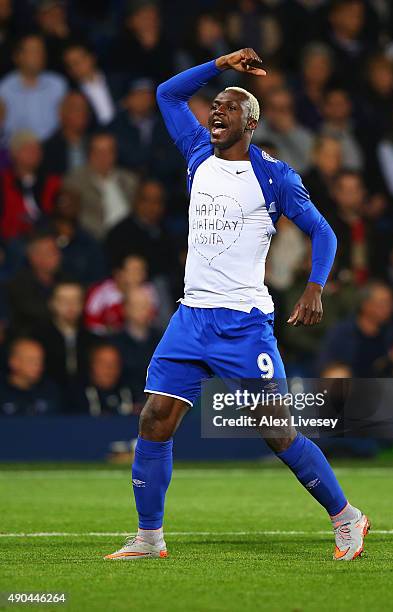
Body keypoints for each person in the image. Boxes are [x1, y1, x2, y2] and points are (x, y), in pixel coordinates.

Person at [105, 49, 369, 563]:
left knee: (277, 431)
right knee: (155, 418)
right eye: (213, 108)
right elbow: (168, 93)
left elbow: (323, 231)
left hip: (242, 324)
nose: (215, 113)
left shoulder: (275, 177)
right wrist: (219, 64)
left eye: (227, 108)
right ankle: (149, 538)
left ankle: (348, 518)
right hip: (190, 318)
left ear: (251, 122)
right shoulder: (196, 153)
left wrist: (315, 285)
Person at [63, 132, 138, 239]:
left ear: (115, 154)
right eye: (98, 152)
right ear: (89, 154)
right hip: (96, 239)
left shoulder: (130, 180)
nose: (103, 157)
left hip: (131, 238)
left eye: (108, 152)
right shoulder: (75, 181)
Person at [317, 281, 393, 376]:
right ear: (365, 304)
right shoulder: (341, 333)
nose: (388, 308)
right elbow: (324, 366)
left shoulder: (391, 334)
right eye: (383, 303)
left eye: (390, 303)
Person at [32, 280, 98, 390]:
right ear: (52, 303)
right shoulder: (38, 337)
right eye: (63, 300)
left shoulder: (93, 340)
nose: (71, 305)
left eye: (76, 300)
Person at [0, 33, 67, 140]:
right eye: (33, 51)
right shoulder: (4, 88)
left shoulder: (58, 84)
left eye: (41, 51)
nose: (39, 55)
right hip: (17, 150)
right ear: (17, 57)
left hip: (54, 148)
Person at [0, 130, 61, 239]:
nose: (34, 153)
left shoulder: (52, 182)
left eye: (37, 149)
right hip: (12, 239)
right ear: (15, 153)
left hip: (47, 237)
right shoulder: (3, 182)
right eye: (28, 149)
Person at [83, 254, 162, 336]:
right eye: (134, 271)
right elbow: (91, 325)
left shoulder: (149, 291)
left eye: (142, 271)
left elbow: (154, 322)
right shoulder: (101, 291)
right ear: (118, 273)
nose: (139, 276)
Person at [110, 286, 160, 404]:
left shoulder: (162, 339)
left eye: (145, 305)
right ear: (124, 309)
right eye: (136, 306)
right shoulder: (114, 342)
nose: (142, 310)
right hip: (123, 402)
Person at [6, 231, 63, 333]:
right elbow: (32, 311)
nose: (58, 255)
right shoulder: (19, 283)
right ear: (35, 258)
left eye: (57, 251)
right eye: (51, 252)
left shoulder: (65, 279)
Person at [254, 87, 314, 174]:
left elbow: (310, 164)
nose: (279, 114)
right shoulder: (253, 131)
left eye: (284, 109)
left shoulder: (303, 135)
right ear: (265, 110)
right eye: (274, 108)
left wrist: (290, 133)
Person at [0, 337, 61, 415]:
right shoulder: (2, 392)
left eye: (40, 360)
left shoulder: (50, 390)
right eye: (31, 360)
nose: (38, 365)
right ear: (13, 362)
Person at [63, 43, 118, 127]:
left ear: (92, 58)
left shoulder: (117, 78)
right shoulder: (74, 97)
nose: (79, 65)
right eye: (73, 63)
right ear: (70, 71)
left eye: (82, 58)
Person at [75, 343, 133, 416]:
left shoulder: (132, 392)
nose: (109, 369)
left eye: (114, 363)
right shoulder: (76, 397)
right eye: (103, 363)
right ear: (92, 365)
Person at [43, 91, 91, 175]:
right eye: (76, 109)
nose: (82, 113)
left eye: (84, 108)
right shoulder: (48, 149)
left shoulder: (95, 144)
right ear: (61, 113)